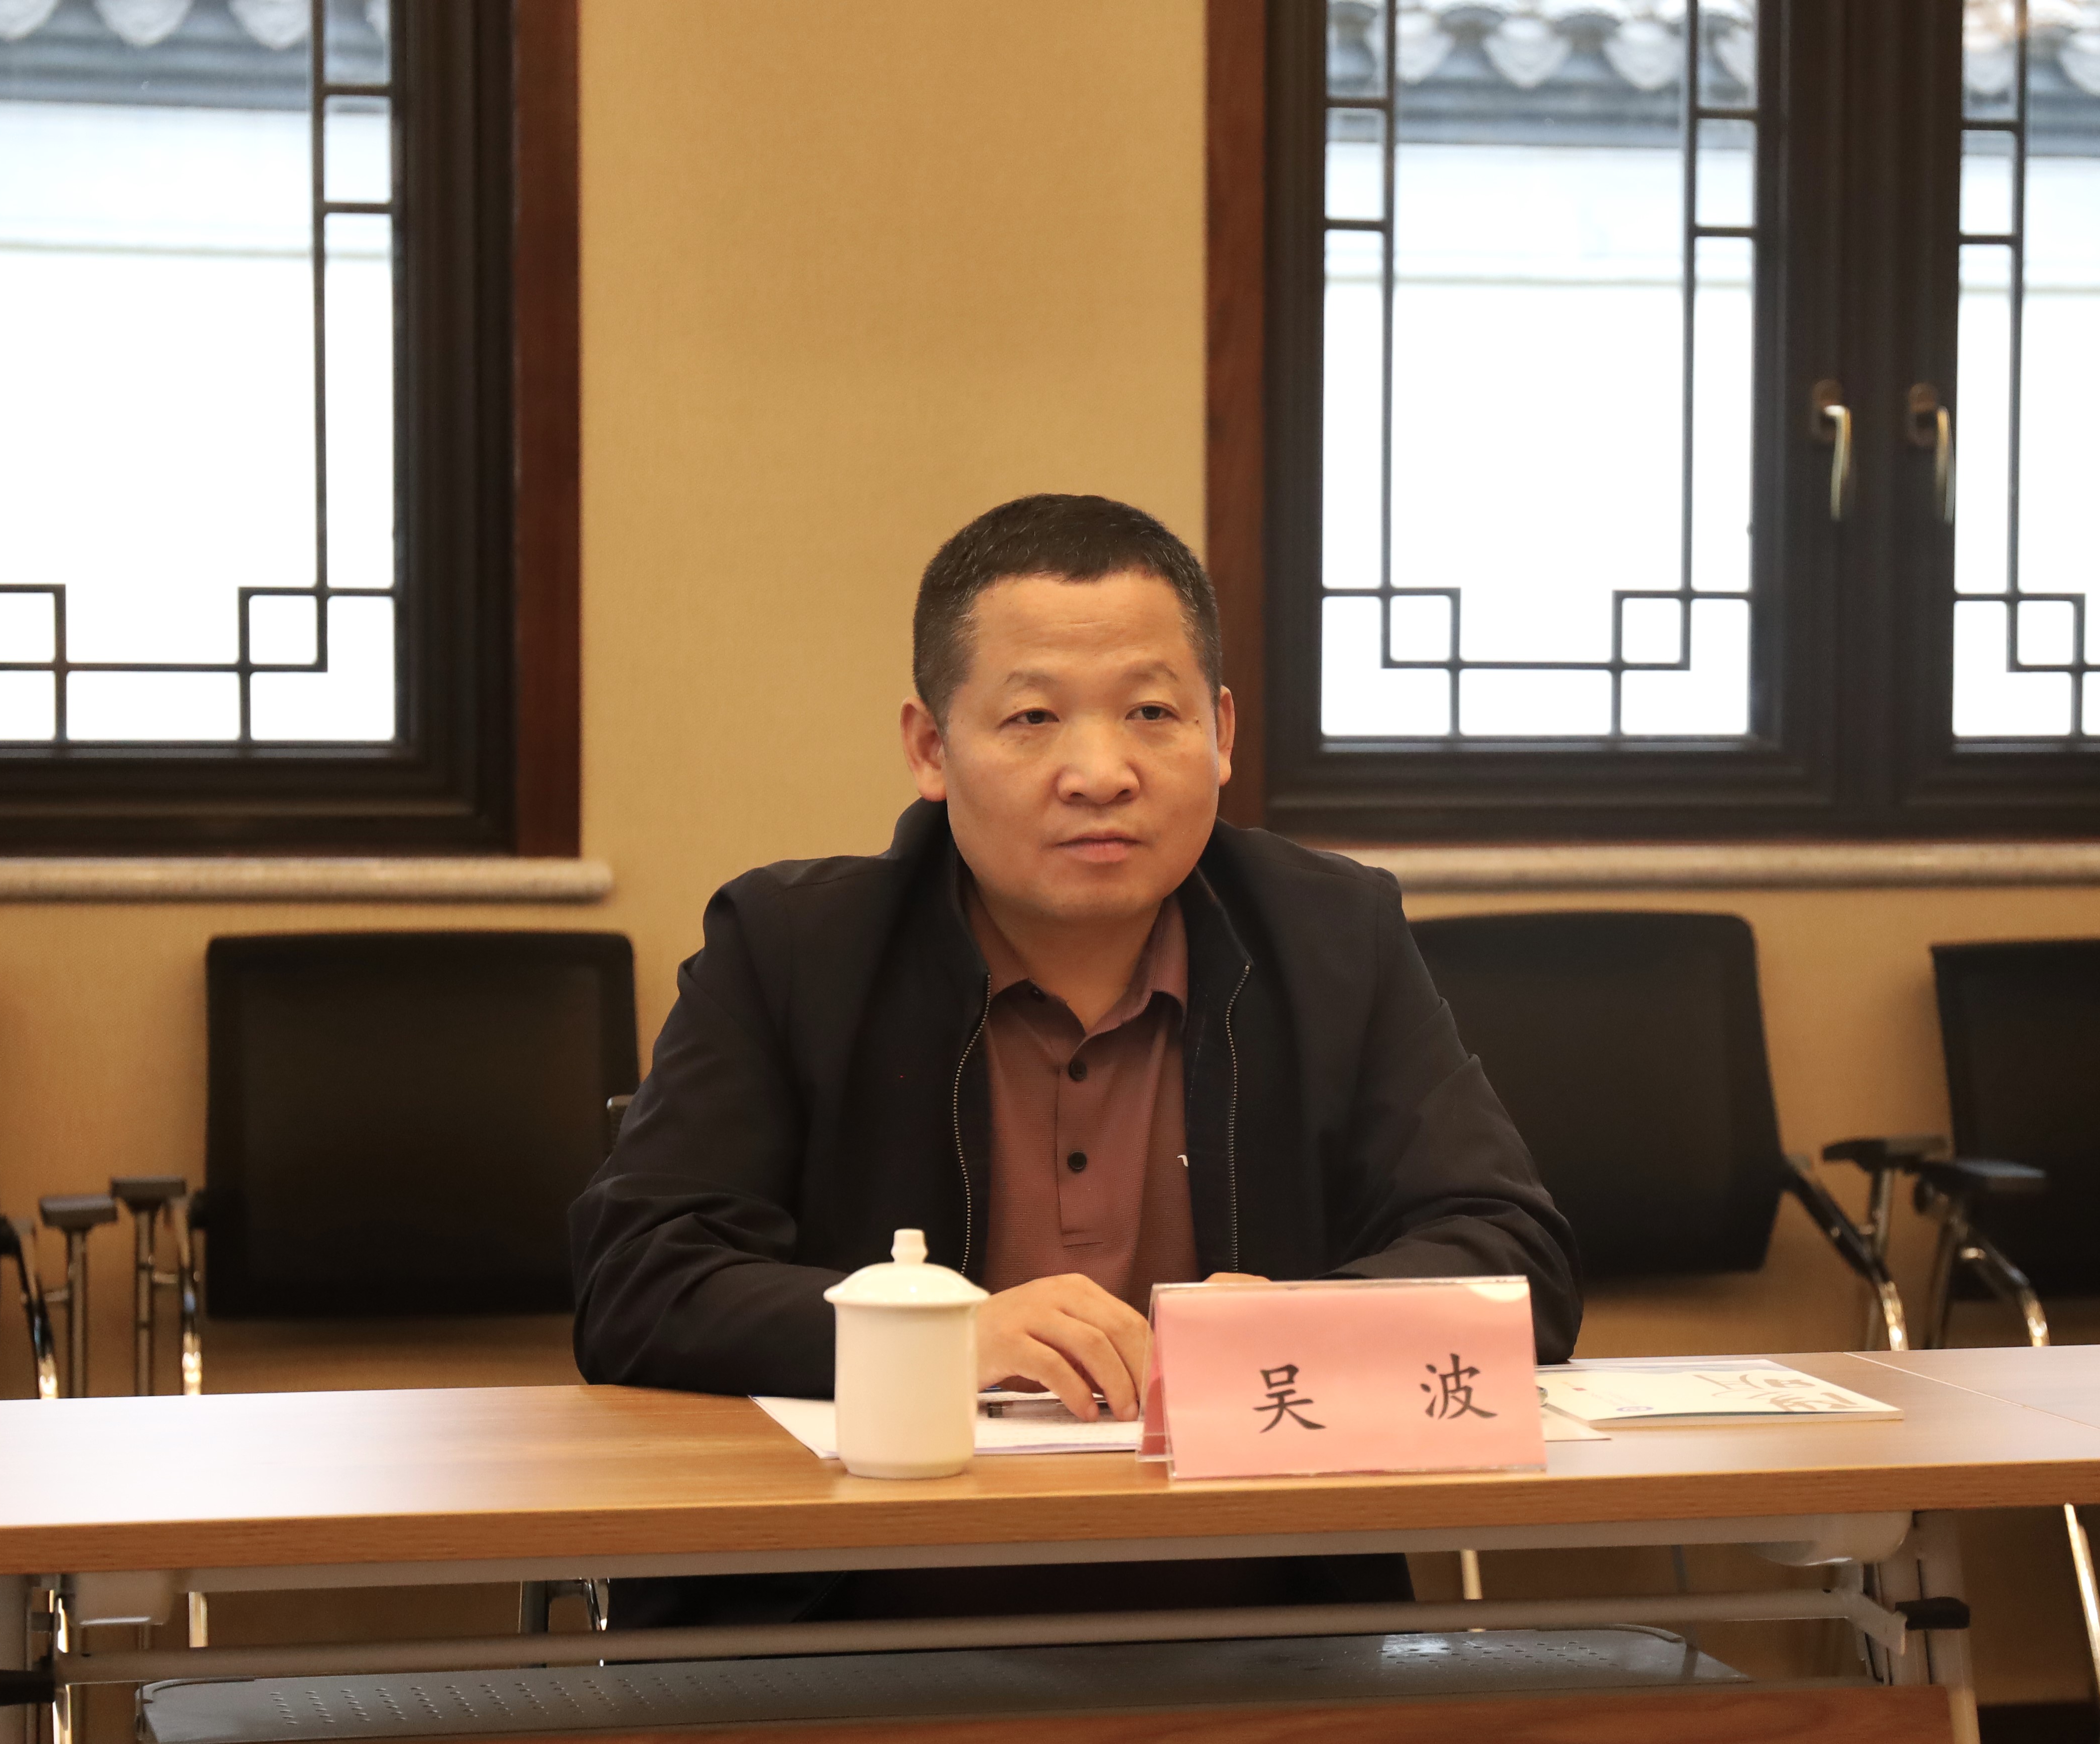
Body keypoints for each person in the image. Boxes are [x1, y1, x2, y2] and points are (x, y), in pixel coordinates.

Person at [570, 492, 1578, 1623]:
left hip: (1261, 1623)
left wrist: (1291, 1325)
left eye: (1151, 711)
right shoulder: (793, 948)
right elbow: (637, 1281)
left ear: (1221, 734)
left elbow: (1514, 1259)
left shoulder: (1333, 936)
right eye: (1033, 717)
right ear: (929, 748)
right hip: (846, 1632)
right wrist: (936, 1336)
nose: (1100, 772)